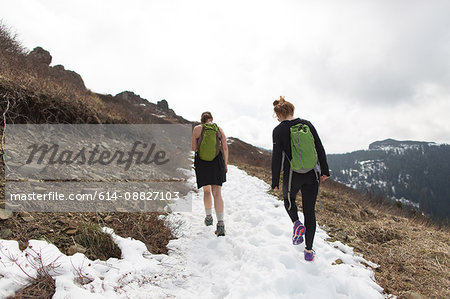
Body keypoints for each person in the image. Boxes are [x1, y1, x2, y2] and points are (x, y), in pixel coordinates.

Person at [271, 96, 330, 261]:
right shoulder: (307, 124)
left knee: (288, 200)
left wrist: (275, 181)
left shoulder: (279, 130)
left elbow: (277, 157)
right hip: (312, 174)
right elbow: (319, 147)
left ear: (279, 115)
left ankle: (296, 223)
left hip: (293, 174)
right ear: (292, 111)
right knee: (310, 212)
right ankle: (309, 251)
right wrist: (325, 170)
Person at [192, 112, 228, 236]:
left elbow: (193, 148)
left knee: (207, 191)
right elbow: (224, 148)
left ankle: (208, 218)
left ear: (202, 120)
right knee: (217, 193)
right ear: (211, 119)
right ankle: (221, 224)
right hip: (216, 162)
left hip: (202, 163)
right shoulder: (218, 129)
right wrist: (225, 164)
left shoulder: (197, 129)